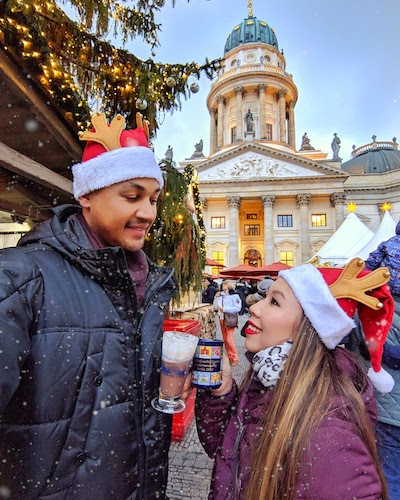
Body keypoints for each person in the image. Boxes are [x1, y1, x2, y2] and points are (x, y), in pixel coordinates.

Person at [0, 113, 179, 499]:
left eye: (152, 199)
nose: (148, 213)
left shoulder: (151, 287)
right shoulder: (21, 278)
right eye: (131, 197)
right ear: (86, 195)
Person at [197, 259, 394, 499]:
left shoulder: (327, 433)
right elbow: (231, 456)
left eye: (275, 302)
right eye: (265, 298)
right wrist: (223, 393)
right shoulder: (269, 378)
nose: (255, 308)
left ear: (308, 327)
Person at [347, 224, 400, 499]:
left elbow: (359, 345)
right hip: (388, 408)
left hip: (388, 408)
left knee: (389, 475)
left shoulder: (375, 306)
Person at [213, 280, 242, 366]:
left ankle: (235, 357)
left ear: (229, 285)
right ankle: (230, 355)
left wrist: (225, 309)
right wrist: (216, 297)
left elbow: (237, 308)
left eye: (225, 284)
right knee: (225, 339)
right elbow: (215, 307)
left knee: (229, 338)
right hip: (221, 318)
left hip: (230, 318)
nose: (223, 286)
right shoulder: (221, 295)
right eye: (223, 284)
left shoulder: (234, 296)